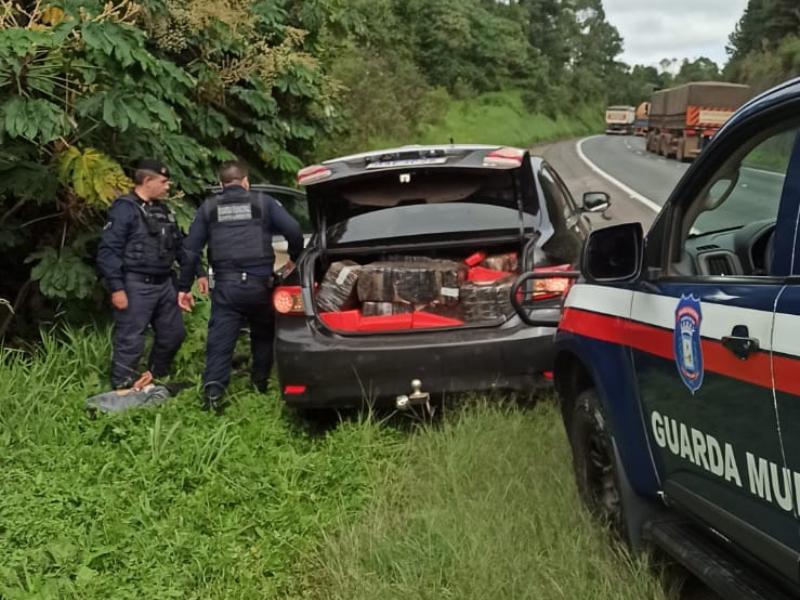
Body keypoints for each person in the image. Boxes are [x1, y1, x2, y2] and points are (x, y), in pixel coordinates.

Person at [178, 160, 303, 413]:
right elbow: (295, 231)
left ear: (221, 184)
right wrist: (293, 259)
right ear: (245, 182)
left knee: (220, 340)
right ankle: (259, 385)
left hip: (227, 287)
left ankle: (213, 395)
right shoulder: (263, 203)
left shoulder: (208, 207)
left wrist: (183, 286)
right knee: (263, 335)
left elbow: (190, 250)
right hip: (260, 285)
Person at [97, 159, 208, 389]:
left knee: (173, 334)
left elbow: (180, 246)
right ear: (147, 181)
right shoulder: (125, 209)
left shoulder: (163, 210)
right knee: (130, 339)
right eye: (164, 182)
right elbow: (109, 252)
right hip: (135, 284)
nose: (168, 187)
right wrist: (117, 288)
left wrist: (198, 272)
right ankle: (122, 385)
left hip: (165, 283)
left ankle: (155, 376)